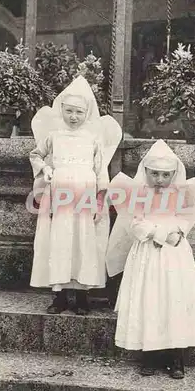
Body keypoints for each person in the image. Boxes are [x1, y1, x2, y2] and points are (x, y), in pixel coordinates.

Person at [106, 140, 195, 378]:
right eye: (155, 174)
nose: (160, 179)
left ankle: (176, 358)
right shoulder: (139, 195)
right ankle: (149, 355)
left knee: (173, 298)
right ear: (146, 172)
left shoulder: (181, 195)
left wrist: (176, 232)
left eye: (166, 175)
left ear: (173, 174)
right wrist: (158, 233)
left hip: (173, 254)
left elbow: (184, 220)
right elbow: (135, 224)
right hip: (147, 252)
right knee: (149, 298)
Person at [29, 76, 121, 315]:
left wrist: (100, 201)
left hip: (84, 195)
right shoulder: (54, 136)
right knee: (59, 241)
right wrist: (46, 168)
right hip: (59, 195)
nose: (73, 117)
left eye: (79, 112)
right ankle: (59, 295)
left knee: (83, 241)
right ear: (62, 111)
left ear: (86, 113)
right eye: (69, 111)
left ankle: (81, 296)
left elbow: (101, 171)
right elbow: (36, 155)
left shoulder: (93, 139)